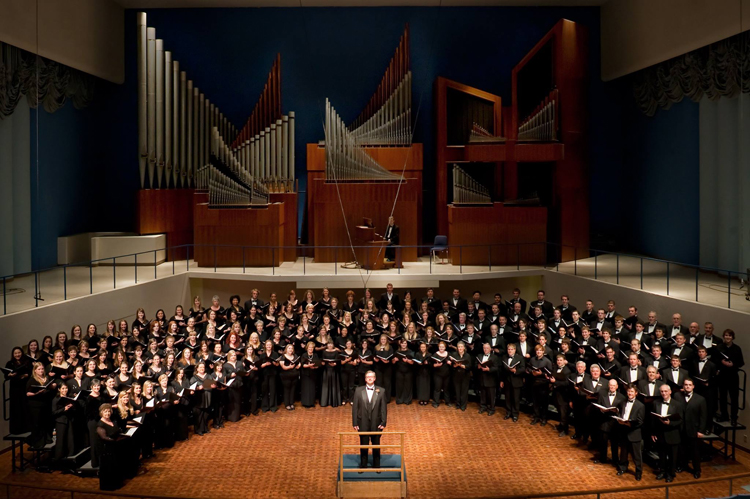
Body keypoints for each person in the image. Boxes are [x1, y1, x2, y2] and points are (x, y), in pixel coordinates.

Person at [352, 371, 388, 470]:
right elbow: (355, 408)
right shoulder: (358, 391)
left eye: (371, 377)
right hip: (362, 422)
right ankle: (363, 465)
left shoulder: (381, 391)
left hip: (376, 423)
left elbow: (383, 409)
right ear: (365, 379)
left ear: (375, 378)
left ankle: (376, 466)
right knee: (363, 445)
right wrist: (355, 422)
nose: (370, 378)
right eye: (368, 377)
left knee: (376, 446)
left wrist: (383, 422)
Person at [652, 384, 684, 482]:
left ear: (670, 392)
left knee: (672, 457)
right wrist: (653, 433)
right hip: (660, 434)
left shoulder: (677, 404)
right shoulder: (656, 403)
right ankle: (662, 471)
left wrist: (670, 423)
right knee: (661, 455)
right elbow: (653, 420)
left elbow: (681, 420)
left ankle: (671, 474)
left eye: (666, 391)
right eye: (662, 391)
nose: (664, 393)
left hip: (673, 434)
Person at [615, 384, 645, 480]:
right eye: (628, 391)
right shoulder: (622, 402)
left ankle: (638, 472)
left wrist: (630, 424)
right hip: (623, 431)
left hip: (634, 433)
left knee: (636, 455)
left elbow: (640, 421)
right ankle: (623, 468)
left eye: (632, 391)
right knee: (623, 452)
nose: (630, 393)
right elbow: (621, 413)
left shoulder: (640, 406)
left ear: (636, 393)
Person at [679, 378, 707, 479]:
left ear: (693, 386)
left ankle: (697, 470)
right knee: (682, 450)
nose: (687, 386)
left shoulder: (700, 399)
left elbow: (703, 417)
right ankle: (683, 466)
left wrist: (701, 430)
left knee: (695, 452)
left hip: (694, 430)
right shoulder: (678, 396)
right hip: (681, 429)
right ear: (683, 386)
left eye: (689, 385)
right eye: (686, 385)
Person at [717, 328, 744, 425]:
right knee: (723, 397)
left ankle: (733, 418)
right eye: (726, 335)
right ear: (723, 336)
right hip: (722, 376)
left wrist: (733, 364)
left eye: (729, 335)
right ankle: (724, 415)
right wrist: (722, 363)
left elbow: (741, 362)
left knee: (734, 398)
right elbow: (716, 360)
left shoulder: (737, 348)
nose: (727, 337)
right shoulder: (719, 347)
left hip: (733, 376)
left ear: (732, 337)